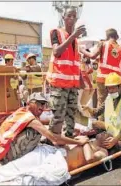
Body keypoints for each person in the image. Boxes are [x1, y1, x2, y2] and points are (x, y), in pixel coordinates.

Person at [0, 135, 108, 186]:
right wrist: (75, 140)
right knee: (15, 167)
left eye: (105, 133)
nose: (102, 134)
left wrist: (84, 142)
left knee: (26, 178)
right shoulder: (89, 139)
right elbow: (63, 143)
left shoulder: (102, 151)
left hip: (61, 164)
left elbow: (90, 159)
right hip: (52, 153)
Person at [0, 92, 89, 165]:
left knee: (43, 132)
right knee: (37, 132)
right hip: (5, 156)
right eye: (40, 103)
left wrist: (64, 127)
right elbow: (54, 139)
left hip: (2, 151)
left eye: (44, 104)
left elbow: (45, 123)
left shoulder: (24, 112)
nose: (43, 107)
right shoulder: (30, 118)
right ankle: (19, 160)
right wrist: (78, 142)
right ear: (30, 103)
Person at [46, 7, 86, 137]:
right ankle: (52, 141)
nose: (72, 18)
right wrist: (73, 36)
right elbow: (57, 52)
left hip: (72, 85)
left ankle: (67, 139)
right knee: (58, 115)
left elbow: (75, 63)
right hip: (59, 83)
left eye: (74, 16)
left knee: (71, 115)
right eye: (69, 16)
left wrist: (81, 80)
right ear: (63, 18)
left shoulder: (76, 41)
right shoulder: (56, 33)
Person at [82, 72, 121, 155]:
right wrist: (88, 109)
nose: (111, 91)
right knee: (95, 124)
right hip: (113, 130)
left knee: (111, 148)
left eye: (113, 88)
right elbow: (97, 112)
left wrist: (114, 140)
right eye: (109, 88)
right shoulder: (109, 99)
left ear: (119, 87)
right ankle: (108, 140)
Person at [80, 28, 121, 121]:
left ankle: (102, 127)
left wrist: (82, 50)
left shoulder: (103, 44)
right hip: (115, 82)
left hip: (103, 80)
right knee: (115, 103)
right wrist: (120, 78)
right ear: (117, 37)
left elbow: (92, 55)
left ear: (107, 36)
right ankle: (115, 125)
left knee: (102, 104)